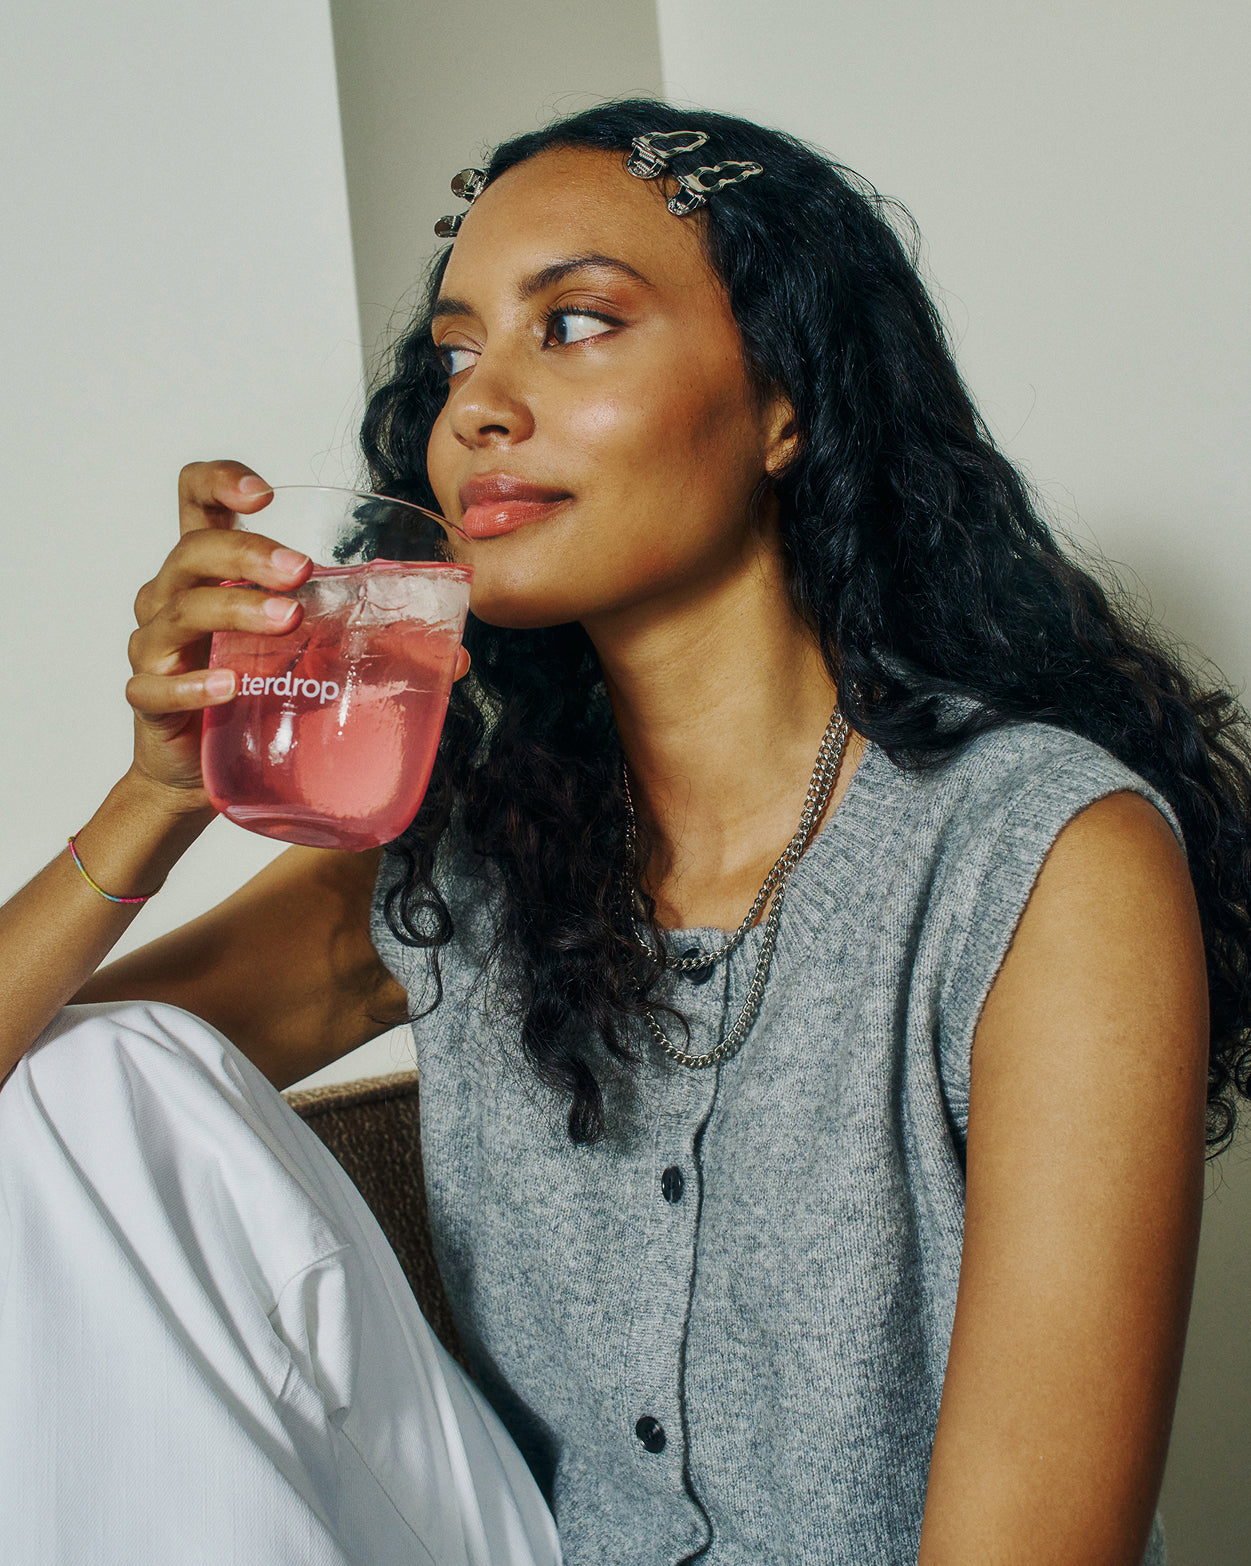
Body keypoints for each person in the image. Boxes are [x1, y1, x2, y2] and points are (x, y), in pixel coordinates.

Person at [1, 97, 1249, 1566]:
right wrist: (162, 793)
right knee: (79, 1087)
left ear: (788, 399)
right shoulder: (471, 852)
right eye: (457, 349)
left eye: (576, 323)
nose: (477, 404)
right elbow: (71, 1129)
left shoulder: (1039, 854)